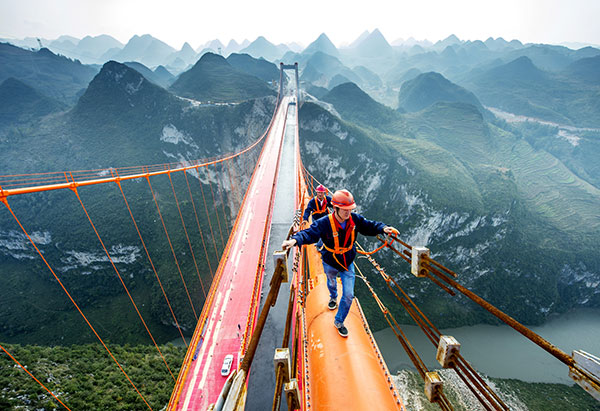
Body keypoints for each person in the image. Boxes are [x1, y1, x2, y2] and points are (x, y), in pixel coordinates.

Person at [282, 189, 397, 337]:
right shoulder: (324, 223)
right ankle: (333, 296)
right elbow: (310, 233)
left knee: (349, 295)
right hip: (330, 260)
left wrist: (383, 228)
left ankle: (339, 321)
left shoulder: (355, 220)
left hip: (347, 262)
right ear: (335, 208)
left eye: (350, 209)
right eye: (345, 210)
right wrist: (295, 239)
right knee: (331, 283)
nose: (348, 213)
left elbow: (369, 225)